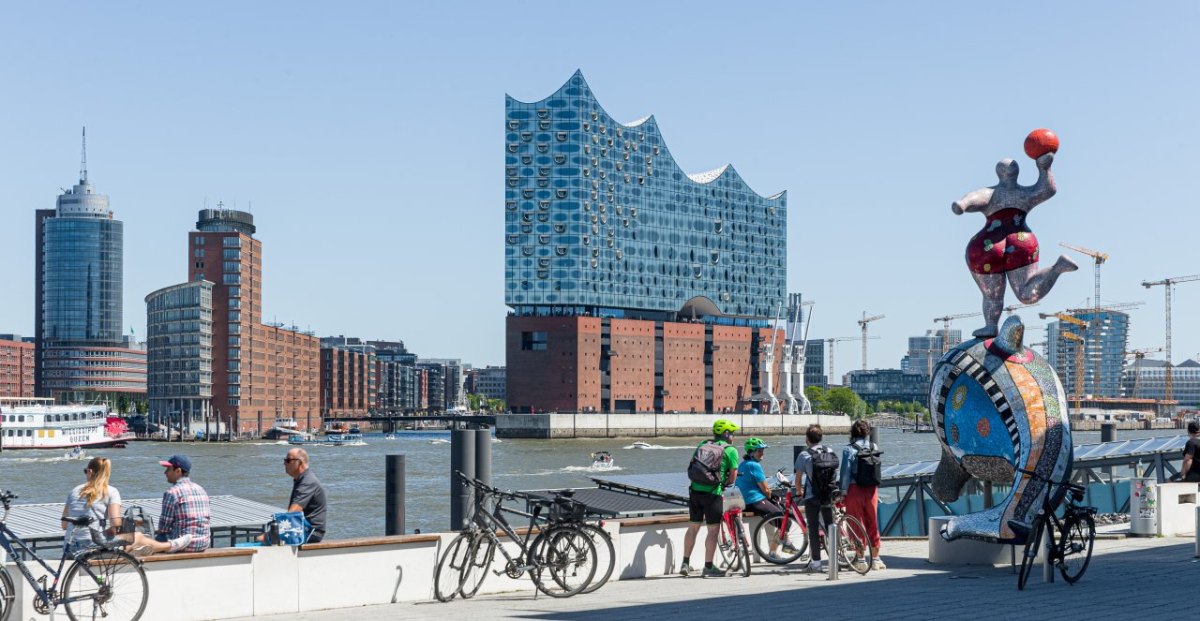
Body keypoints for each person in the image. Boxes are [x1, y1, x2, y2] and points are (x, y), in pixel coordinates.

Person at [952, 151, 1077, 338]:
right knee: (1027, 295)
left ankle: (990, 325)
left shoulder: (991, 193)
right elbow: (1047, 190)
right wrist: (1045, 169)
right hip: (1021, 241)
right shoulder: (1024, 194)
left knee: (991, 295)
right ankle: (1057, 268)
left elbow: (974, 198)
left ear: (998, 173)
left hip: (988, 245)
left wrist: (962, 204)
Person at [680, 419, 740, 578]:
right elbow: (733, 477)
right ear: (726, 434)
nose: (733, 436)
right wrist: (724, 483)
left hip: (694, 491)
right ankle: (708, 566)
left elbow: (693, 464)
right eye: (732, 433)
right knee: (713, 530)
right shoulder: (731, 450)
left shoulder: (703, 444)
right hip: (713, 494)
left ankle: (685, 562)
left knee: (693, 528)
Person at [125, 454, 209, 555]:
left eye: (168, 469)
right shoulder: (201, 490)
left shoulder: (172, 493)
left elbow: (163, 528)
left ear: (178, 471)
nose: (165, 473)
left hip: (185, 545)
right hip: (203, 543)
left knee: (154, 538)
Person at [735, 437, 793, 556]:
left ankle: (782, 545)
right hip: (754, 501)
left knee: (779, 514)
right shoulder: (754, 465)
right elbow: (766, 490)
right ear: (751, 452)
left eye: (762, 450)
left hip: (744, 501)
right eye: (759, 451)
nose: (762, 453)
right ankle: (779, 548)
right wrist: (772, 496)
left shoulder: (743, 464)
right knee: (785, 521)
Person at [840, 420, 885, 571]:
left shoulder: (849, 450)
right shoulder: (874, 447)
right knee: (873, 522)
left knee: (856, 524)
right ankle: (876, 559)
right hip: (872, 489)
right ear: (867, 433)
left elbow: (845, 473)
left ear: (852, 433)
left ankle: (861, 560)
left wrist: (842, 492)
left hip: (854, 489)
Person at [794, 424, 837, 572]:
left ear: (807, 439)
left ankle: (817, 563)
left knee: (812, 528)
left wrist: (799, 491)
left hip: (812, 496)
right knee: (830, 526)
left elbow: (798, 479)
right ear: (821, 438)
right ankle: (834, 559)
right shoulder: (829, 451)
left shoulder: (804, 455)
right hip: (827, 495)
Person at [62, 457, 123, 555]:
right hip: (93, 547)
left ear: (90, 472)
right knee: (137, 538)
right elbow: (115, 523)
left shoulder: (74, 491)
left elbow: (64, 525)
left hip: (70, 548)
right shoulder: (111, 491)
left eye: (85, 471)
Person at [284, 447, 327, 543]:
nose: (284, 463)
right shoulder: (301, 480)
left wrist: (269, 534)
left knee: (268, 539)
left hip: (311, 532)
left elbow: (292, 513)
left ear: (299, 462)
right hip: (302, 529)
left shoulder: (308, 481)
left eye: (288, 460)